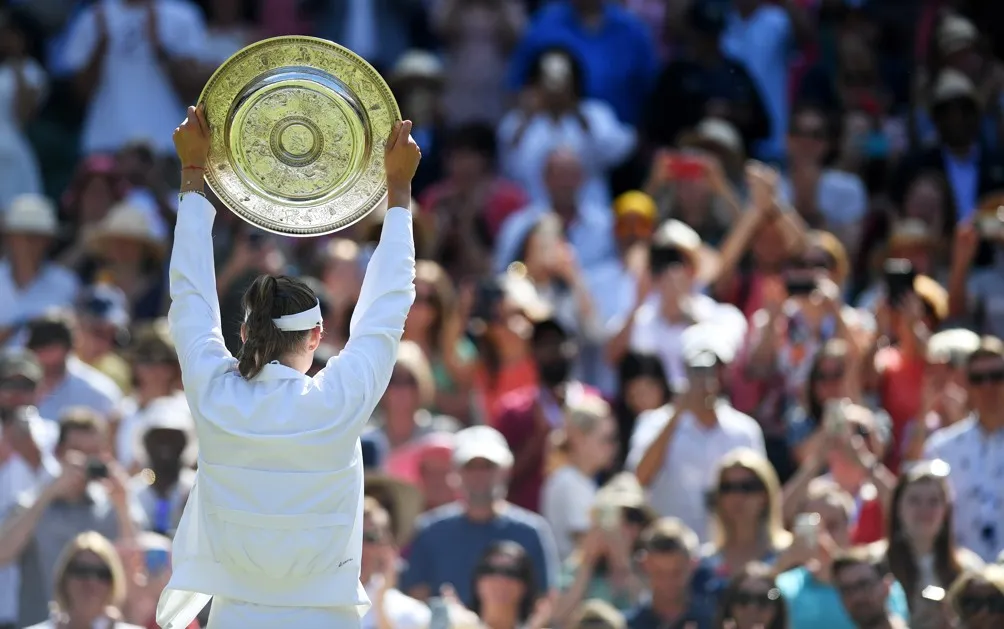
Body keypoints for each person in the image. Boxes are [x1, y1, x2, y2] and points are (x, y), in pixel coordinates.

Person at [156, 105, 422, 629]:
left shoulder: (216, 396)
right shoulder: (333, 403)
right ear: (317, 337)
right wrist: (399, 191)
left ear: (244, 333)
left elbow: (189, 299)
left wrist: (193, 176)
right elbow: (387, 306)